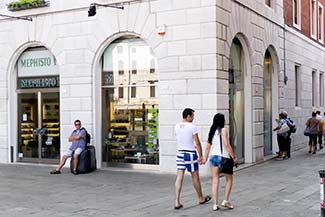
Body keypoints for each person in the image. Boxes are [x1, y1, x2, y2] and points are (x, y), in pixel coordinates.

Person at [174, 108, 211, 209]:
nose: (194, 118)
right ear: (188, 116)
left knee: (179, 177)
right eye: (193, 116)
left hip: (180, 153)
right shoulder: (192, 126)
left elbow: (181, 139)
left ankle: (177, 201)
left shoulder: (176, 126)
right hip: (190, 154)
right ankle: (200, 198)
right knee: (195, 177)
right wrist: (201, 156)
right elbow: (197, 142)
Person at [204, 113, 238, 211]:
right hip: (223, 157)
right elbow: (226, 144)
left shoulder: (212, 131)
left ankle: (215, 204)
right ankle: (225, 200)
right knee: (229, 179)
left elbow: (207, 147)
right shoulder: (224, 130)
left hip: (213, 157)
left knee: (215, 180)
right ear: (222, 121)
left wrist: (205, 158)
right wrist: (234, 157)